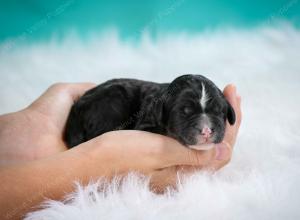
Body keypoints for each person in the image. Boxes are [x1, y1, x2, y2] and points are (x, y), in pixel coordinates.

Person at [0, 82, 242, 220]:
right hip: (100, 110)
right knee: (115, 100)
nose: (206, 128)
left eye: (217, 113)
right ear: (163, 112)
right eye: (186, 113)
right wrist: (95, 161)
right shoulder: (151, 110)